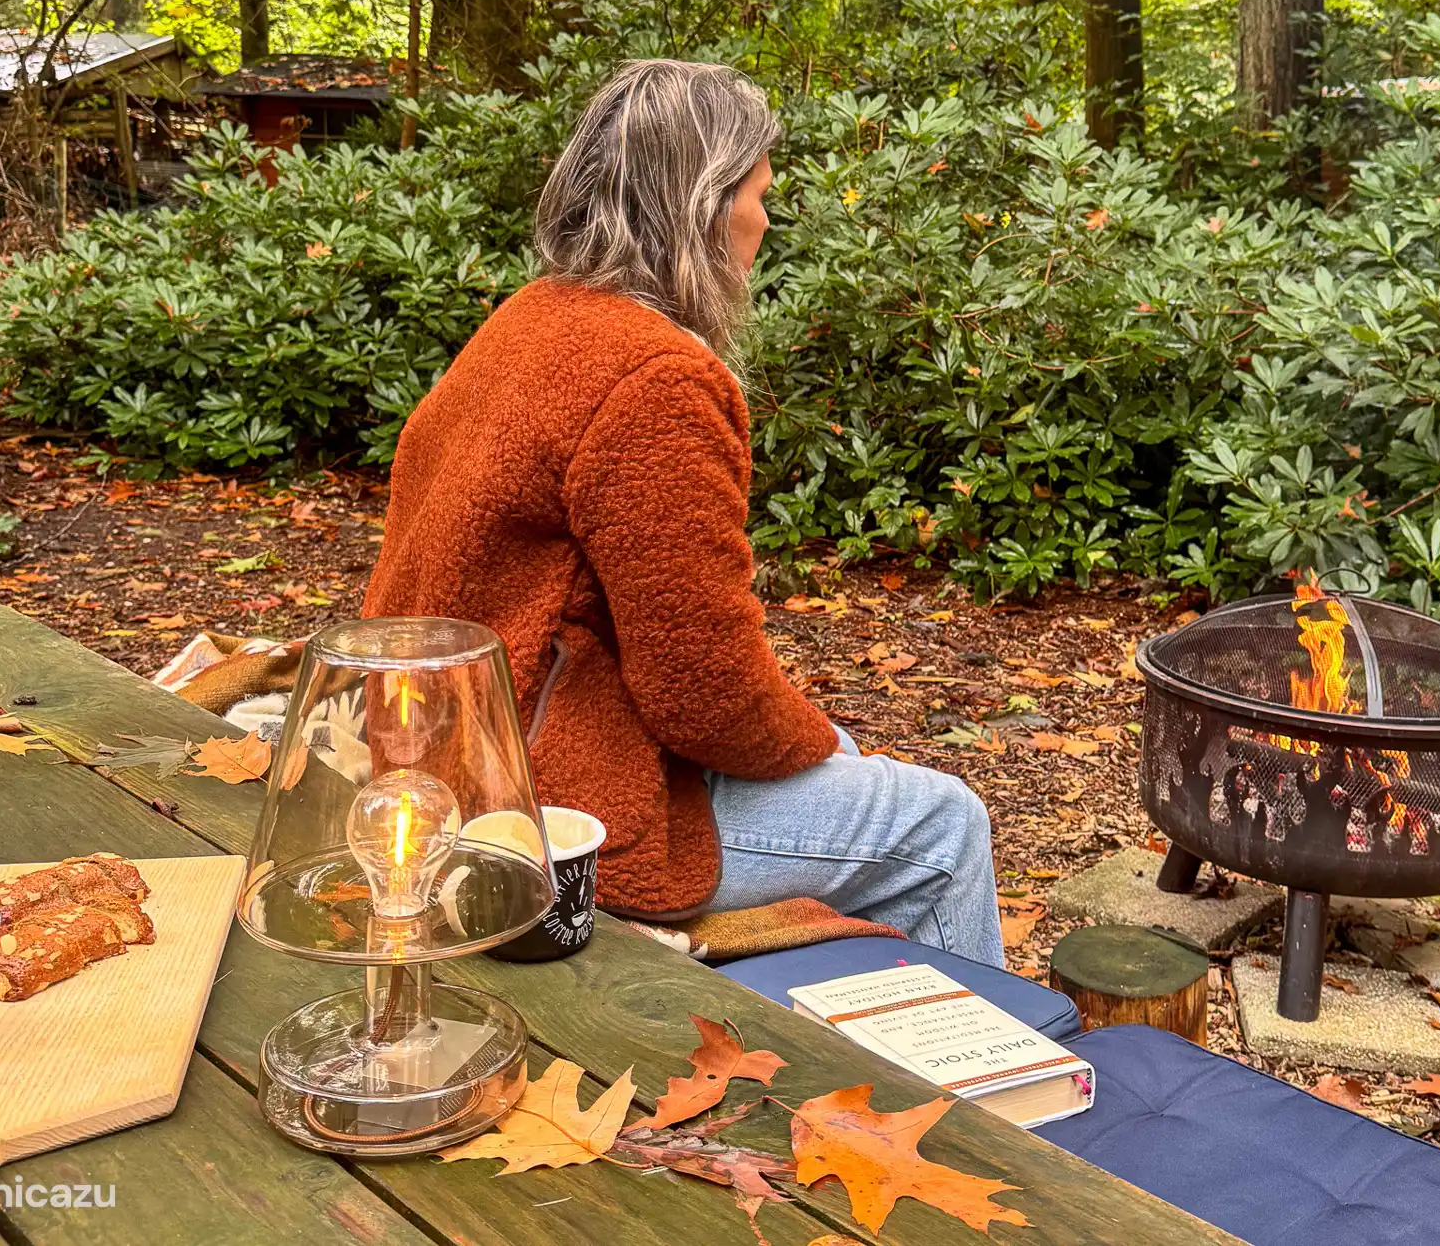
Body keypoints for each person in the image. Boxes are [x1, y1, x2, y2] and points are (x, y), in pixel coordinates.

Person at [364, 60, 1003, 966]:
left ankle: (853, 1015)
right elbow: (703, 691)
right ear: (705, 206)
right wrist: (812, 736)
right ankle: (989, 1095)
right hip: (541, 817)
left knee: (849, 758)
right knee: (942, 826)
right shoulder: (655, 378)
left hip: (427, 755)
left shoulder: (529, 318)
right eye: (758, 194)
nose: (766, 222)